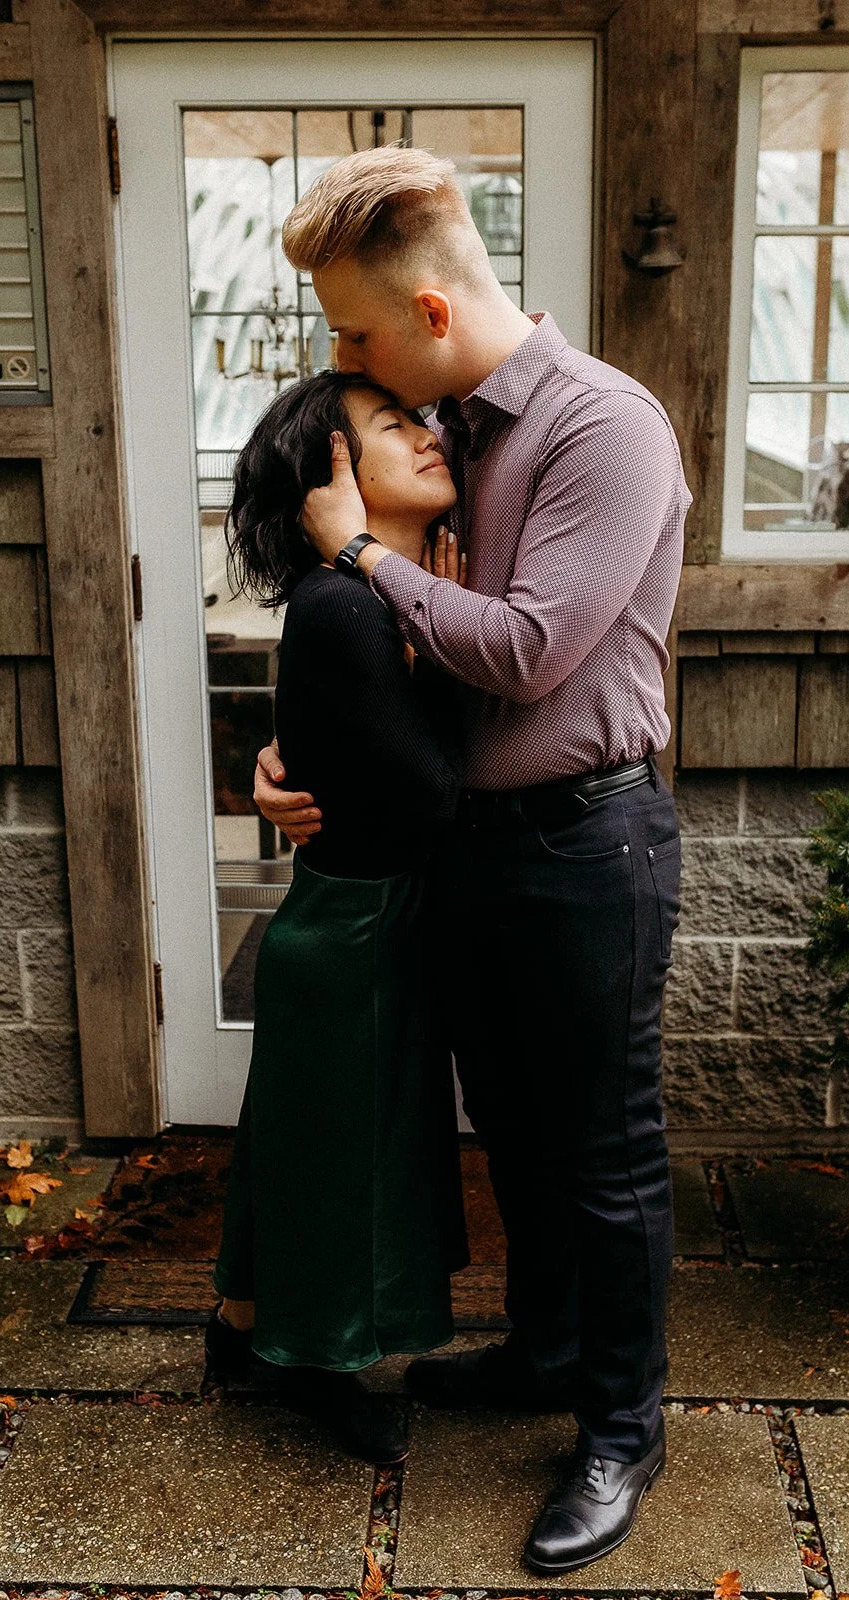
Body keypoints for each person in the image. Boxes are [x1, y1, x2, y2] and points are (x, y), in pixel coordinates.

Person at [253, 146, 690, 1575]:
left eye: (355, 333)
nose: (343, 358)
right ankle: (546, 1350)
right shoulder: (459, 431)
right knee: (512, 1129)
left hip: (585, 842)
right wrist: (286, 765)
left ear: (430, 313)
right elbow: (396, 678)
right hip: (470, 851)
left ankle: (619, 1428)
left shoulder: (597, 428)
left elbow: (522, 647)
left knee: (604, 1153)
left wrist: (356, 554)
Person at [203, 369, 471, 1467]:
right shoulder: (340, 602)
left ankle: (242, 1331)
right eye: (390, 428)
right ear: (331, 480)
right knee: (339, 1163)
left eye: (416, 415)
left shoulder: (377, 595)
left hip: (360, 923)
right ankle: (316, 1365)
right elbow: (430, 791)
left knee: (309, 1143)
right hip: (352, 934)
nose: (425, 433)